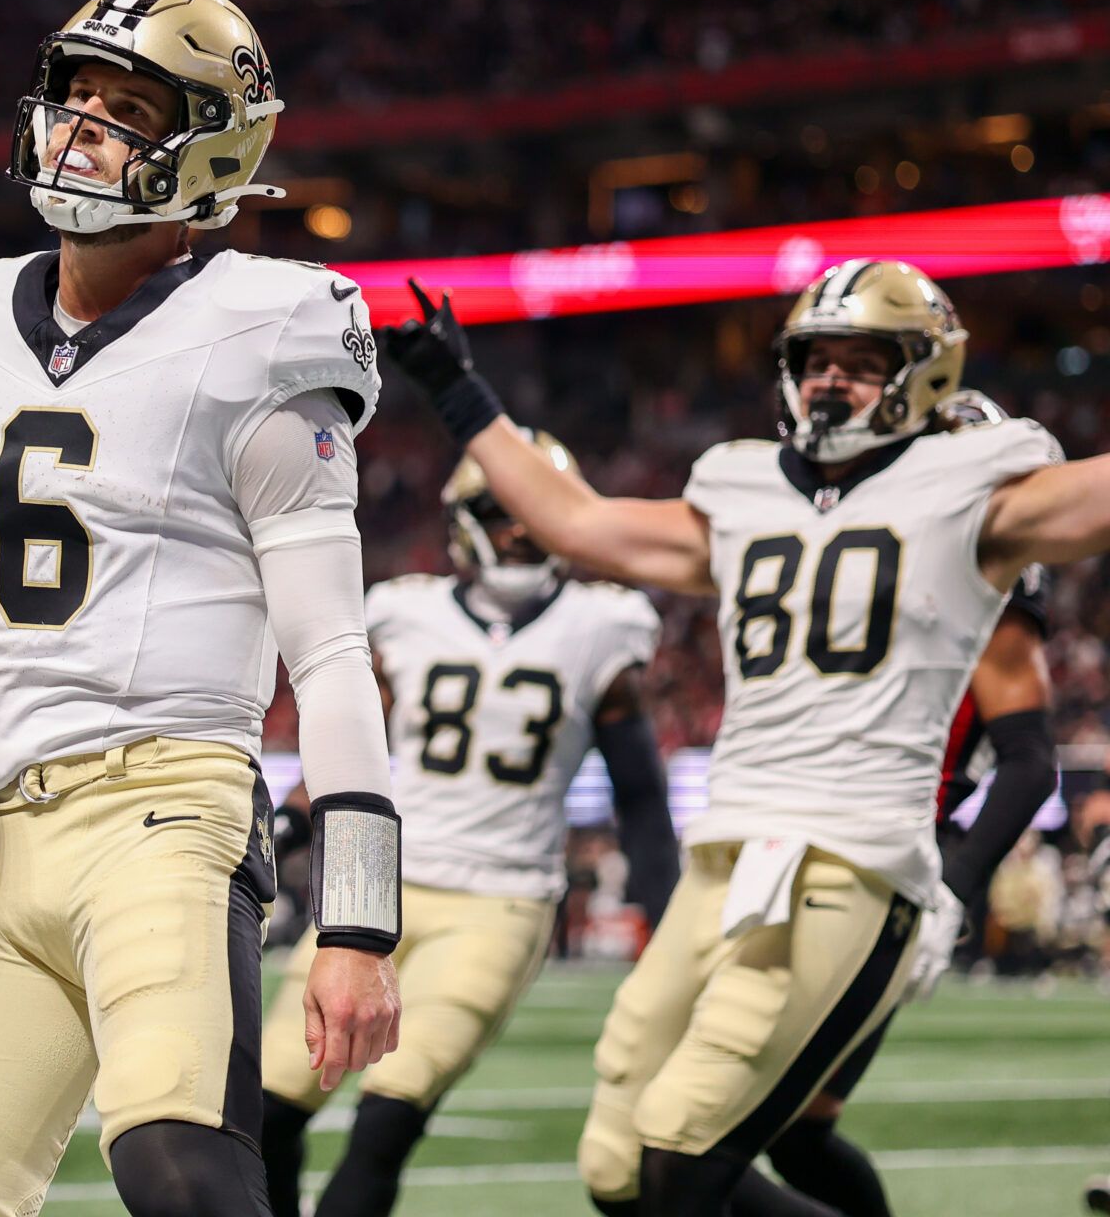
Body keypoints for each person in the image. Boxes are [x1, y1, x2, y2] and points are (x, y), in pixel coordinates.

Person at [0, 0, 400, 1217]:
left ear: (213, 143)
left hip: (167, 810)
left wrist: (358, 922)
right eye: (75, 95)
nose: (82, 125)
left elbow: (329, 651)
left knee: (179, 1159)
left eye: (132, 105)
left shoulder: (267, 325)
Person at [384, 258, 1110, 1217]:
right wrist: (458, 389)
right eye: (816, 359)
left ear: (926, 372)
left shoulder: (974, 483)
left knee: (686, 1154)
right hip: (729, 856)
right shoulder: (740, 487)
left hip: (851, 860)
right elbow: (579, 520)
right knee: (615, 1165)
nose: (830, 380)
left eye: (862, 361)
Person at [258, 432, 680, 1217]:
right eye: (502, 511)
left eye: (533, 513)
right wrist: (285, 828)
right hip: (374, 886)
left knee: (386, 1119)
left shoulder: (602, 625)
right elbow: (347, 755)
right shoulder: (402, 613)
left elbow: (642, 797)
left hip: (499, 901)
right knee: (266, 1108)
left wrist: (668, 924)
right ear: (463, 521)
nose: (521, 530)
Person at [742, 396, 1059, 1217]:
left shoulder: (983, 582)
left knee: (693, 1138)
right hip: (786, 839)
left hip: (879, 861)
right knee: (788, 1134)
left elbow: (1028, 764)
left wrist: (947, 888)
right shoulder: (844, 545)